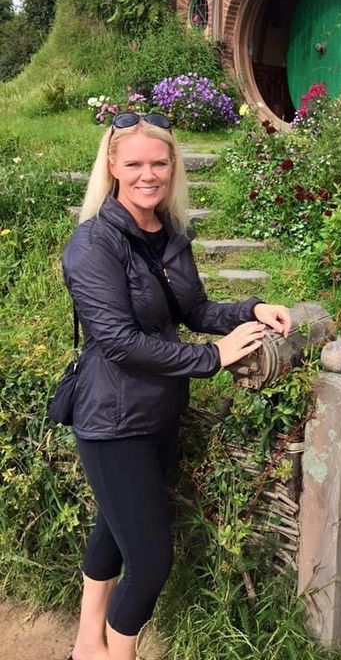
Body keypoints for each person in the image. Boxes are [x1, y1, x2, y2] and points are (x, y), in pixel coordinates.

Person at [62, 112, 291, 660]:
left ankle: (85, 644)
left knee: (114, 529)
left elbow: (194, 308)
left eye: (159, 162)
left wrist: (252, 307)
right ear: (113, 166)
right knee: (151, 560)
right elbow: (117, 341)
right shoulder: (92, 244)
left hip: (158, 413)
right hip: (111, 419)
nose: (149, 174)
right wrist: (212, 357)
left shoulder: (170, 233)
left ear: (173, 167)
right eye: (135, 162)